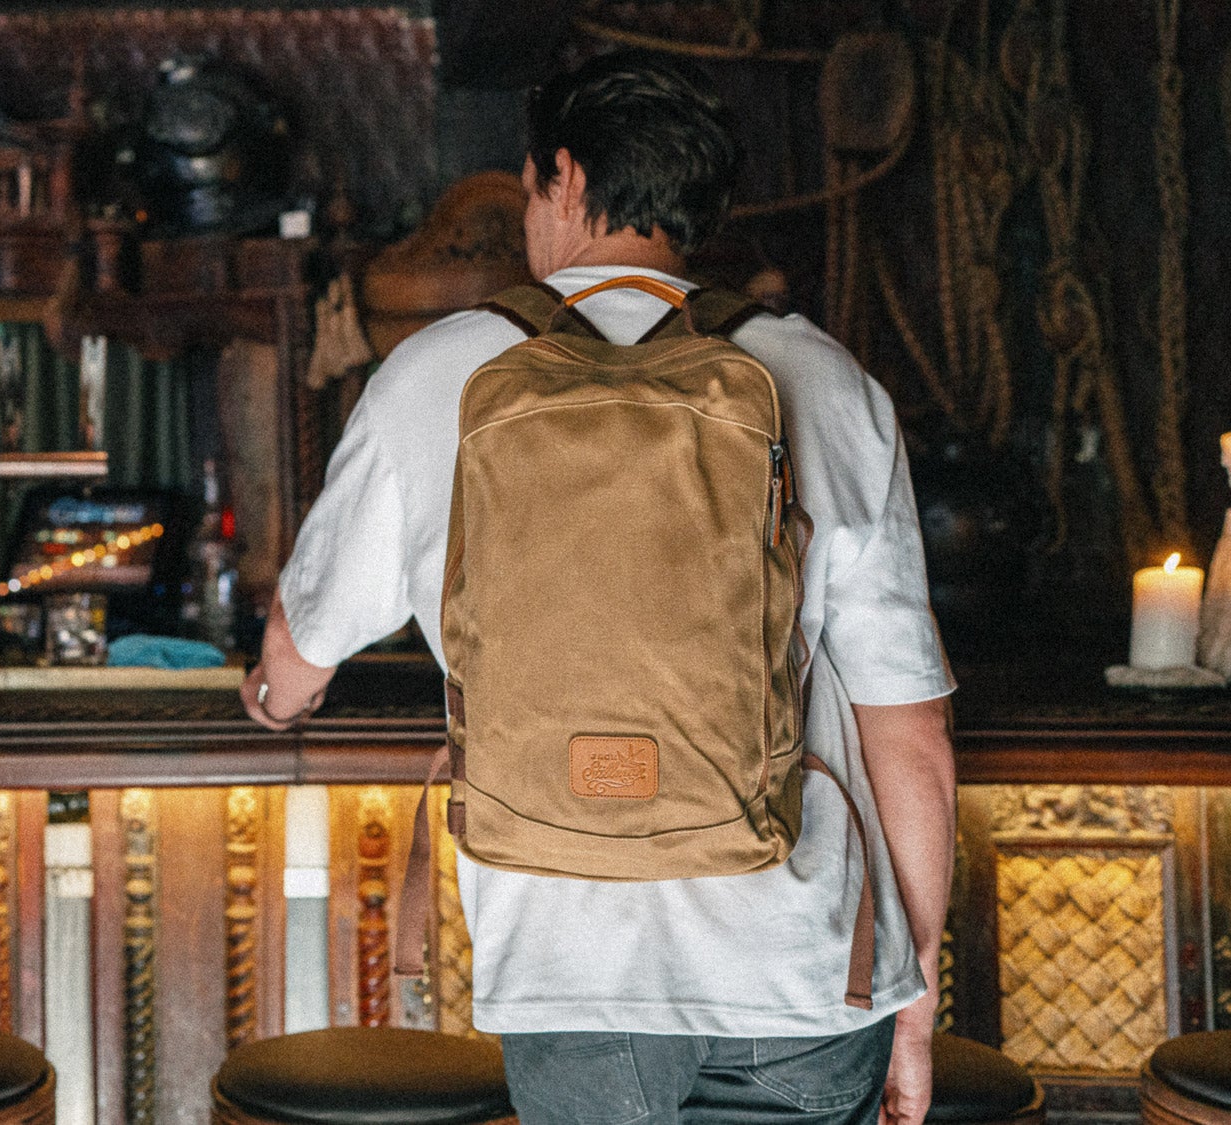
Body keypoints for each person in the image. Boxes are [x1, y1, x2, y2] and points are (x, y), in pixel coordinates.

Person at [242, 50, 955, 1125]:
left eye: (532, 188)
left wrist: (270, 698)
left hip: (572, 969)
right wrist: (914, 994)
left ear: (564, 178)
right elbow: (909, 734)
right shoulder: (827, 380)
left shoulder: (434, 372)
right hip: (805, 967)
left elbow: (300, 657)